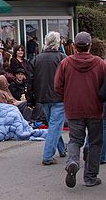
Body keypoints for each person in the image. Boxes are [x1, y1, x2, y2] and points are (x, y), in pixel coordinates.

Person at [55, 31, 106, 188]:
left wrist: (68, 96)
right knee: (95, 142)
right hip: (95, 108)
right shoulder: (100, 63)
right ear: (90, 45)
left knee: (75, 140)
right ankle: (90, 176)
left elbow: (57, 86)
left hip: (74, 107)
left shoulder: (65, 63)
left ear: (75, 46)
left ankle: (73, 161)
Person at [27, 31, 66, 165]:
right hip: (59, 97)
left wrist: (30, 99)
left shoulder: (36, 59)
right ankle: (48, 156)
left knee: (53, 124)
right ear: (57, 43)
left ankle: (62, 149)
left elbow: (30, 80)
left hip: (42, 96)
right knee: (55, 125)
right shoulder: (62, 58)